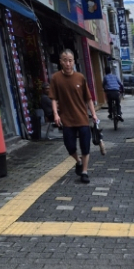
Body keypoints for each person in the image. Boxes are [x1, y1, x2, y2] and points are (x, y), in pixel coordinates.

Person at [49, 49, 97, 184]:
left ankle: (84, 172)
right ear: (60, 62)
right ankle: (79, 161)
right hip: (67, 119)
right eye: (65, 60)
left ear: (73, 61)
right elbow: (53, 98)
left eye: (70, 60)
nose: (68, 63)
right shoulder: (56, 78)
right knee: (69, 146)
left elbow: (88, 99)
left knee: (85, 146)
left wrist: (93, 114)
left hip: (82, 118)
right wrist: (56, 114)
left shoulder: (80, 77)